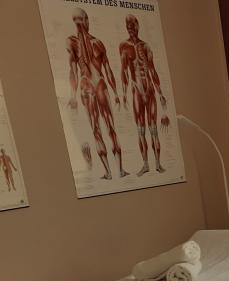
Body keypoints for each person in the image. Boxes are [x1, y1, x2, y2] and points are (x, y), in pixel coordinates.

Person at [67, 8, 128, 181]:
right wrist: (72, 95)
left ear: (86, 20)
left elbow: (105, 69)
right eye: (76, 20)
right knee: (102, 128)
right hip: (92, 85)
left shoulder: (92, 43)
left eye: (80, 19)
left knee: (104, 128)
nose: (79, 23)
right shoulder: (78, 42)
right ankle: (113, 171)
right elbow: (74, 70)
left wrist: (116, 93)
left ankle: (115, 171)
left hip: (94, 85)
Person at [120, 14, 170, 176]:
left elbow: (153, 70)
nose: (131, 28)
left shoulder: (146, 47)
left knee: (153, 129)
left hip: (150, 90)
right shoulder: (124, 46)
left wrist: (160, 93)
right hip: (136, 92)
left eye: (133, 25)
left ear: (138, 26)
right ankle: (146, 164)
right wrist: (124, 93)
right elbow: (124, 71)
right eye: (128, 26)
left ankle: (158, 164)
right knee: (140, 130)